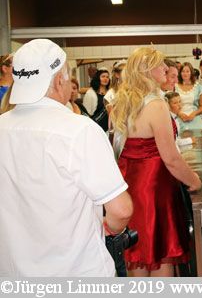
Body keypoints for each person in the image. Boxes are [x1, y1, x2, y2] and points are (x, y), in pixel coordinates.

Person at [0, 39, 133, 276]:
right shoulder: (79, 130)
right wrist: (110, 228)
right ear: (59, 80)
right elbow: (121, 210)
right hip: (77, 271)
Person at [112, 47, 202, 276]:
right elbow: (171, 158)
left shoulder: (123, 103)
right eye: (160, 64)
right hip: (154, 188)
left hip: (129, 186)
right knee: (161, 256)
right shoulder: (156, 105)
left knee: (138, 258)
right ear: (146, 70)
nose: (165, 68)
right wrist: (194, 180)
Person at [175, 62, 202, 130]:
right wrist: (179, 114)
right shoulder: (174, 87)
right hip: (179, 118)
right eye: (183, 71)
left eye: (187, 71)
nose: (185, 73)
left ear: (191, 73)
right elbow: (170, 104)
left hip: (195, 119)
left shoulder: (198, 87)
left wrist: (193, 114)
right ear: (180, 73)